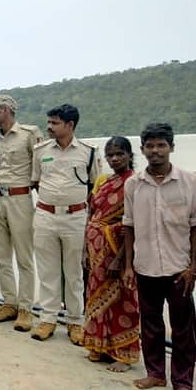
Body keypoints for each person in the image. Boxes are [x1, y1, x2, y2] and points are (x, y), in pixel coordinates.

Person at [123, 122, 196, 390]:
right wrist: (128, 266)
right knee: (151, 323)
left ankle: (183, 382)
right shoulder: (133, 184)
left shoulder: (191, 182)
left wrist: (193, 265)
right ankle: (155, 373)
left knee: (183, 328)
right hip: (145, 266)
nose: (155, 151)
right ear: (143, 149)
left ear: (171, 147)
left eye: (161, 145)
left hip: (179, 268)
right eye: (150, 146)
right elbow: (129, 226)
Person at [31, 104, 101, 343]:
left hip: (76, 218)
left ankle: (75, 322)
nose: (49, 127)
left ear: (70, 125)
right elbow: (36, 181)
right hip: (45, 216)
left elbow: (95, 187)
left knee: (74, 273)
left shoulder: (88, 152)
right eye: (49, 122)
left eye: (55, 123)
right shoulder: (40, 151)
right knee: (47, 270)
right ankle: (48, 319)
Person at [0, 94, 42, 331]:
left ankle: (26, 308)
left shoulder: (29, 135)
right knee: (1, 255)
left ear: (6, 110)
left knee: (24, 257)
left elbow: (38, 168)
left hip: (20, 198)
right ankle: (10, 302)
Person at [81, 137, 140, 371]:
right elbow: (92, 213)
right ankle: (101, 346)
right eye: (110, 155)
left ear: (129, 155)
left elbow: (133, 223)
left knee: (122, 300)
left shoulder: (134, 182)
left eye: (119, 154)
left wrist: (120, 259)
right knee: (96, 297)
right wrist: (86, 249)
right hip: (96, 251)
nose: (115, 158)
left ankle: (123, 354)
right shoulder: (105, 181)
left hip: (119, 250)